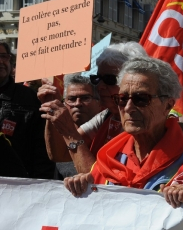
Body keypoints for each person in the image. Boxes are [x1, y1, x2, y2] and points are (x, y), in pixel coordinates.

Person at [64, 57, 183, 207]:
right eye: (122, 99)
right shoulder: (108, 158)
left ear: (167, 106)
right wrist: (81, 187)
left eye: (141, 99)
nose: (128, 108)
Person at [39, 43, 147, 174]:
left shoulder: (146, 120)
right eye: (97, 78)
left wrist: (69, 131)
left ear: (134, 79)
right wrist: (52, 106)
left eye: (109, 79)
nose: (100, 86)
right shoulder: (106, 116)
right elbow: (59, 155)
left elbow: (98, 179)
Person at [0, 41, 55, 178]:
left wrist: (41, 185)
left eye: (4, 56)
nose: (1, 61)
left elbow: (43, 149)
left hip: (18, 186)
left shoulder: (29, 98)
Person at [38, 73, 103, 179]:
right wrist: (50, 105)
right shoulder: (57, 132)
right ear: (63, 103)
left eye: (85, 98)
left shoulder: (108, 131)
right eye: (71, 99)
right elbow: (56, 156)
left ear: (99, 102)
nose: (77, 103)